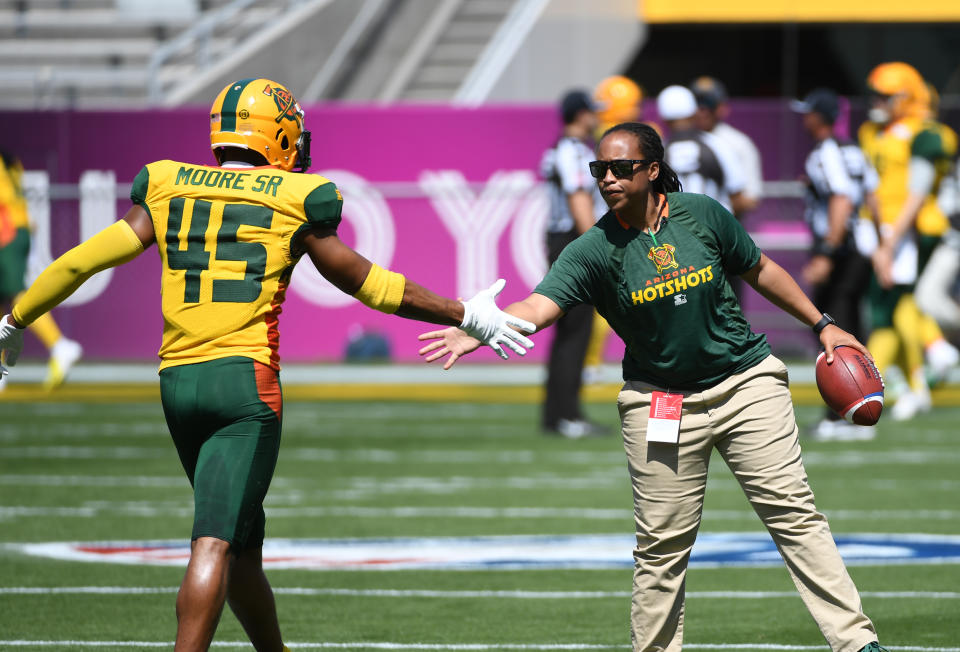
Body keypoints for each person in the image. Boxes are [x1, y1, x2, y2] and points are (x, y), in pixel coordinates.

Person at [0, 78, 534, 652]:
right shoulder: (294, 197)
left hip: (176, 384)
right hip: (244, 390)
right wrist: (464, 313)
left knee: (242, 544)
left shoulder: (165, 184)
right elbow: (369, 284)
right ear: (276, 134)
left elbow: (81, 262)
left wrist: (13, 322)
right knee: (214, 543)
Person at [419, 122, 887, 652]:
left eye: (622, 168)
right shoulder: (592, 249)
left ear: (653, 170)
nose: (608, 178)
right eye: (600, 170)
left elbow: (760, 269)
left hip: (746, 384)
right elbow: (539, 305)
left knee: (794, 514)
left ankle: (856, 644)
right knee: (662, 547)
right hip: (660, 402)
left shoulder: (703, 214)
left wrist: (822, 322)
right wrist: (482, 323)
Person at [859, 62, 959, 420]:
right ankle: (912, 381)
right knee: (894, 308)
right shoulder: (874, 132)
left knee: (895, 307)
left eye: (886, 96)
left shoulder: (926, 134)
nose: (877, 101)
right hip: (887, 230)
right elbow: (874, 186)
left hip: (912, 232)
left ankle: (887, 381)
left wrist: (889, 239)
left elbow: (917, 193)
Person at [791, 88, 878, 440]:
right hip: (861, 246)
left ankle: (842, 415)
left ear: (819, 116)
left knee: (831, 329)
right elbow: (871, 194)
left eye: (808, 112)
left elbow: (842, 199)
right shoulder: (852, 148)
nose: (804, 119)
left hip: (841, 250)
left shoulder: (825, 152)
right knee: (853, 324)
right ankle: (860, 409)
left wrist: (827, 251)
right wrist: (883, 245)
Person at [538, 89, 607, 437]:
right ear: (580, 114)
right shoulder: (571, 150)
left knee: (571, 331)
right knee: (575, 331)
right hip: (573, 241)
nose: (597, 116)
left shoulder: (564, 148)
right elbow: (579, 200)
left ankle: (558, 415)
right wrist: (598, 248)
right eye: (592, 111)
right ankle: (566, 416)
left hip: (565, 240)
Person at [0, 149, 83, 391]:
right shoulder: (11, 161)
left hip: (7, 232)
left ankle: (59, 345)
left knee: (16, 293)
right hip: (18, 228)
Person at [656, 85, 750, 216]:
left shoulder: (659, 151)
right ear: (694, 112)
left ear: (664, 119)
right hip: (714, 229)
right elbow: (738, 198)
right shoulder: (716, 145)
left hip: (674, 232)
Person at [690, 76, 762, 218]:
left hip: (725, 232)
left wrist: (709, 208)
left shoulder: (738, 143)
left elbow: (751, 200)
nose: (702, 110)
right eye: (696, 103)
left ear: (722, 107)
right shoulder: (675, 141)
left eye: (709, 103)